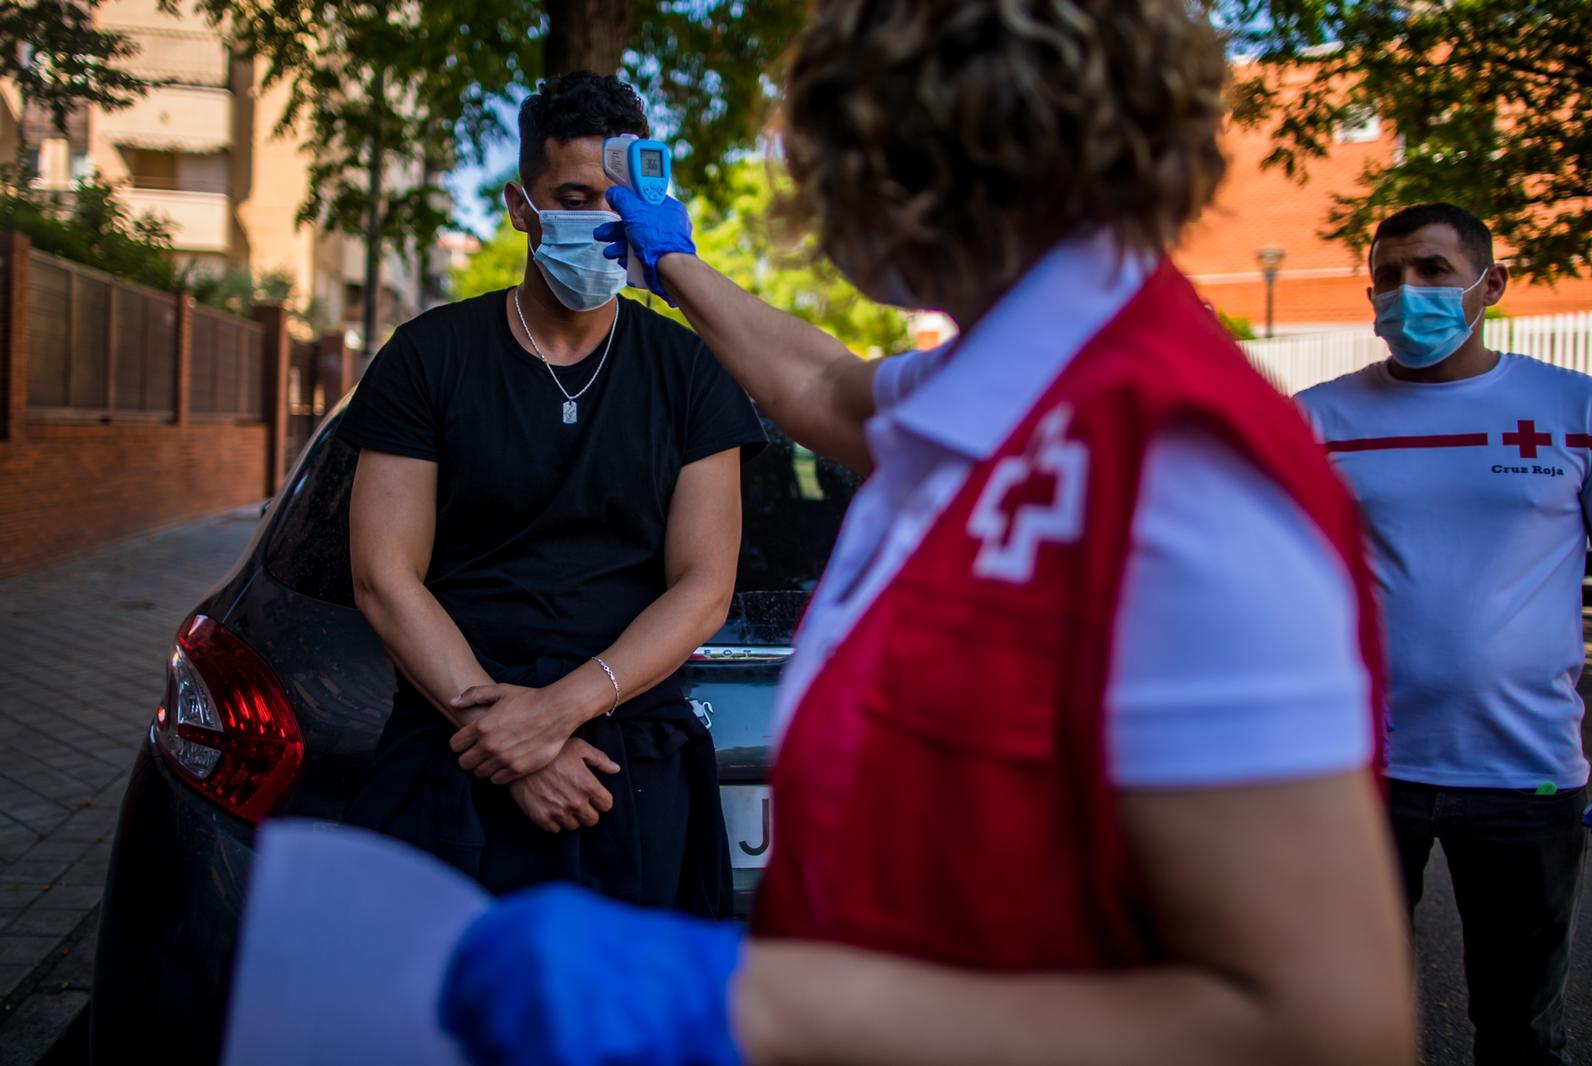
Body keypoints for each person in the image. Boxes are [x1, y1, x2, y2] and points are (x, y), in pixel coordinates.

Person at [440, 2, 1415, 1062]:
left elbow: (1324, 1025)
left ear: (910, 162)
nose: (814, 202)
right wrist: (669, 262)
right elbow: (828, 388)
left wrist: (749, 1008)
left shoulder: (1175, 465)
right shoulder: (1027, 365)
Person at [338, 70, 765, 913]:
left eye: (618, 202)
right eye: (573, 196)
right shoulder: (428, 356)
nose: (602, 221)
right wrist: (512, 742)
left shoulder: (690, 371)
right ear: (519, 207)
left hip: (628, 766)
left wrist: (557, 714)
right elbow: (384, 578)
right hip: (452, 751)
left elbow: (705, 587)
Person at [1297, 202, 1592, 1065]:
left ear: (1490, 284)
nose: (1406, 293)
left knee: (1520, 1028)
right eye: (1388, 277)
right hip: (1361, 773)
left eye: (1431, 270)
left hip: (1527, 774)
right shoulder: (1318, 421)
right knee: (1347, 1016)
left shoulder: (1574, 408)